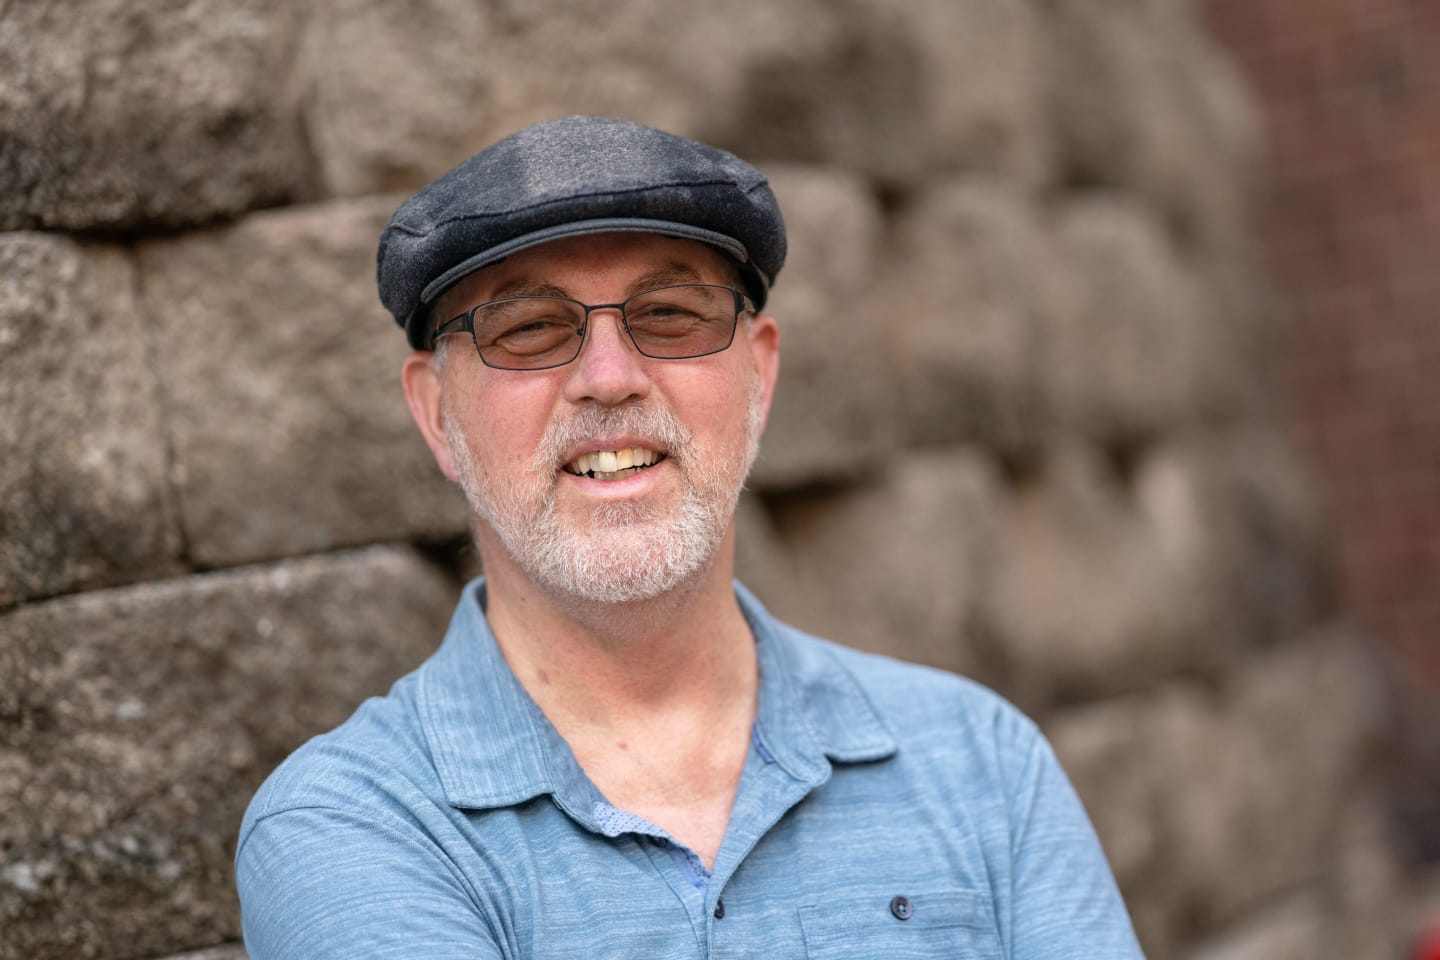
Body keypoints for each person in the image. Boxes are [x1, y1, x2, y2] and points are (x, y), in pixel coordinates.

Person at [235, 116, 1144, 959]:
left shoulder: (983, 763)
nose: (609, 377)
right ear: (438, 415)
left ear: (759, 375)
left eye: (670, 315)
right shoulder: (353, 824)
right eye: (528, 329)